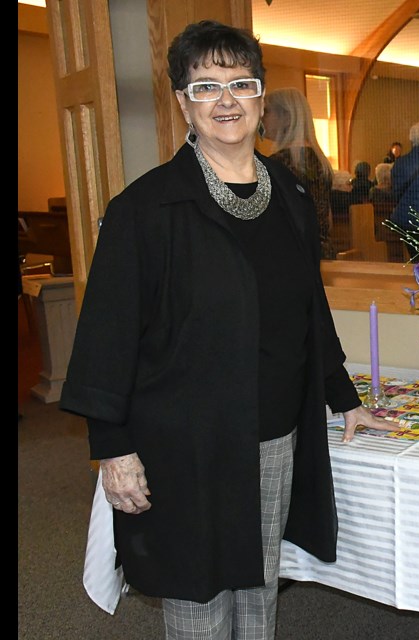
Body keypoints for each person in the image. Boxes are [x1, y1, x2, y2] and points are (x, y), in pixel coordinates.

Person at [58, 20, 396, 639]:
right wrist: (112, 446)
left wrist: (343, 398)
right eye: (206, 86)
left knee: (258, 584)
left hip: (271, 430)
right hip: (183, 439)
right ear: (182, 102)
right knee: (200, 594)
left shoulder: (291, 196)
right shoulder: (145, 209)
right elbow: (106, 333)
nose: (226, 100)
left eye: (241, 83)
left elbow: (307, 310)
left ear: (262, 98)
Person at [261, 87, 337, 259]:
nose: (260, 117)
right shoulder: (320, 161)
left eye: (266, 111)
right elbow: (328, 219)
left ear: (286, 117)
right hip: (323, 252)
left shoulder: (277, 163)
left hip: (292, 256)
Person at [390, 121, 419, 259]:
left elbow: (395, 192)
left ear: (411, 138)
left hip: (405, 220)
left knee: (413, 256)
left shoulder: (400, 162)